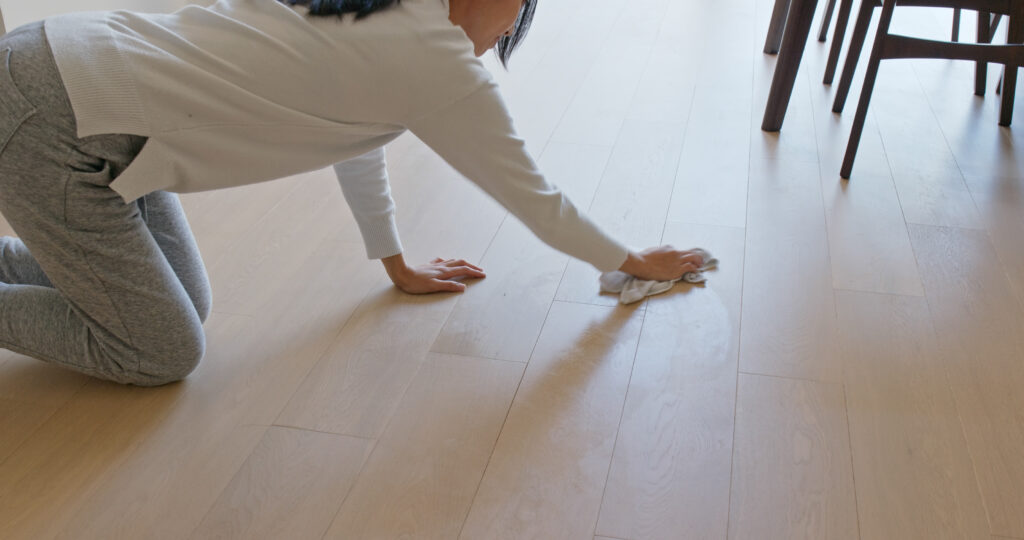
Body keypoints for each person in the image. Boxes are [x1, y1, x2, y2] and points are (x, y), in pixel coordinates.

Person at [0, 0, 704, 386]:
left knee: (188, 305)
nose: (503, 38)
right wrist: (633, 261)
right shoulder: (434, 55)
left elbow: (353, 137)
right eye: (515, 16)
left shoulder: (387, 11)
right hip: (56, 126)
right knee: (161, 353)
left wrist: (394, 264)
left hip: (92, 101)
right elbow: (531, 195)